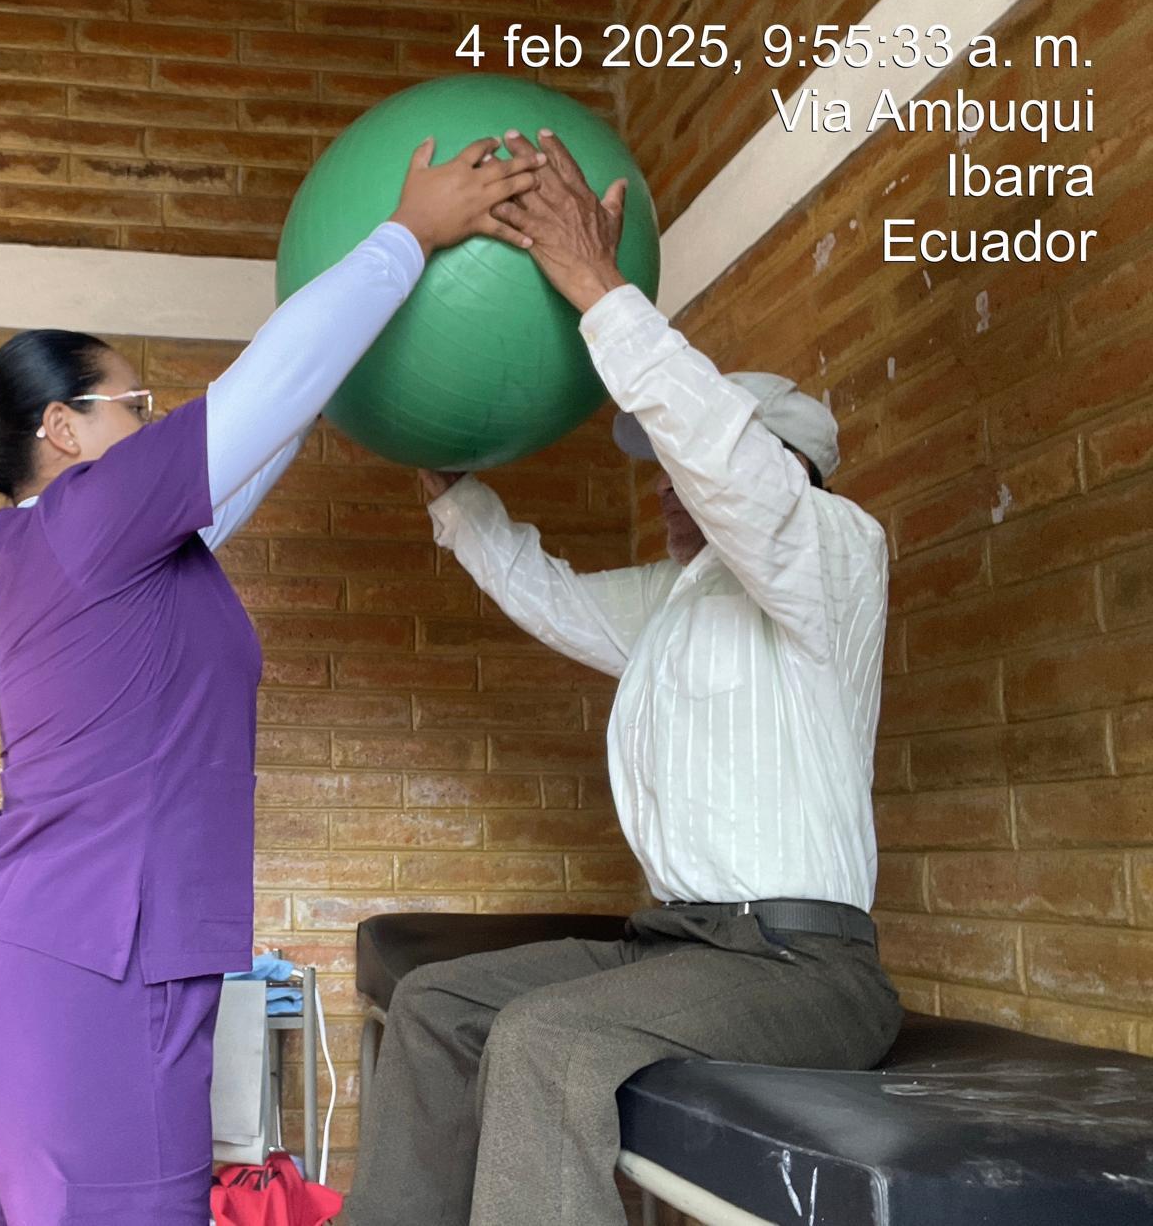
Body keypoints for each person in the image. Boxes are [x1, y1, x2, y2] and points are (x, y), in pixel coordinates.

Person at [0, 133, 545, 1226]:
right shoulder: (93, 518)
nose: (155, 422)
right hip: (93, 1000)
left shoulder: (54, 547)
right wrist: (406, 236)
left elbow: (261, 435)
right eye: (136, 403)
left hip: (7, 984)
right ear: (63, 430)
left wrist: (347, 359)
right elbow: (262, 391)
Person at [342, 132, 902, 1226]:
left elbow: (734, 475)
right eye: (660, 473)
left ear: (785, 466)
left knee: (548, 1041)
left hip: (801, 967)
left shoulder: (834, 550)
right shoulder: (679, 600)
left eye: (679, 469)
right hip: (678, 945)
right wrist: (453, 493)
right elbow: (551, 596)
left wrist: (596, 285)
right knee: (437, 1003)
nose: (664, 488)